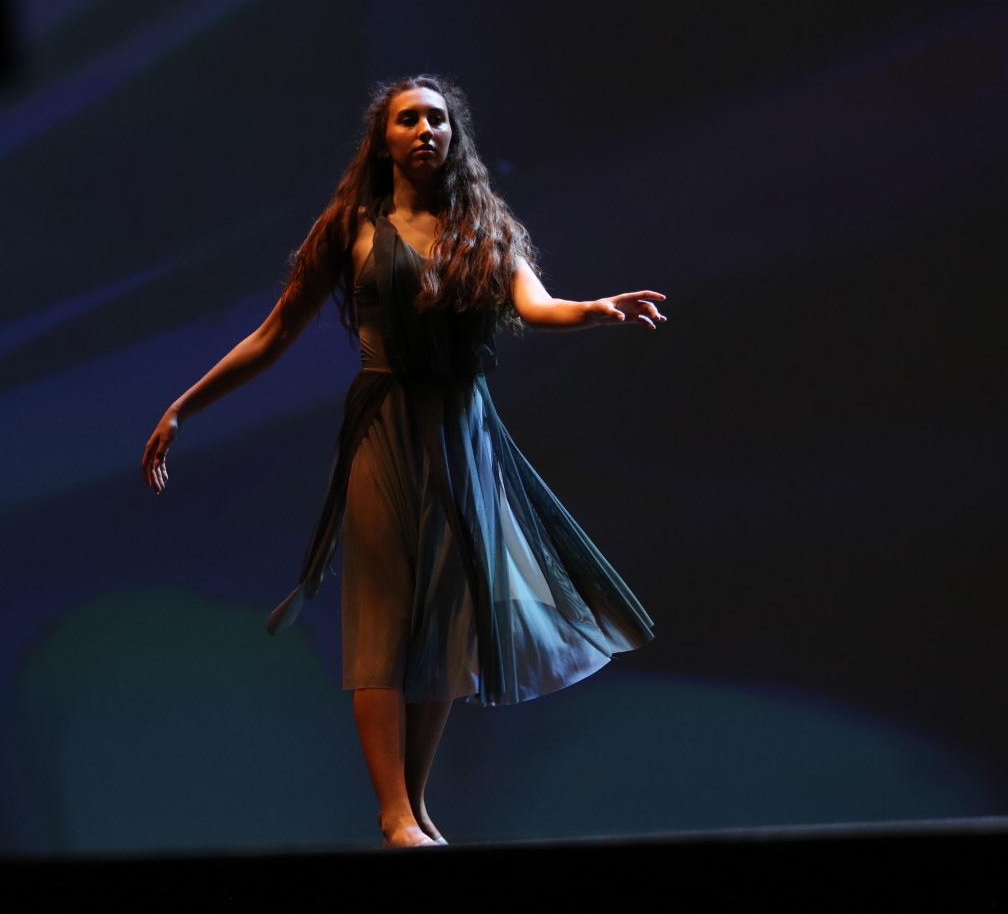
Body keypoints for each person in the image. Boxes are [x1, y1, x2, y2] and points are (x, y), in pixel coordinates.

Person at [142, 75, 661, 848]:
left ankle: (413, 807)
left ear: (454, 135)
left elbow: (535, 304)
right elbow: (273, 334)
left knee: (449, 621)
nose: (425, 130)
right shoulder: (348, 226)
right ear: (383, 138)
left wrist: (592, 310)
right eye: (409, 119)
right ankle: (392, 812)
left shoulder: (484, 225)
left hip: (464, 431)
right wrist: (184, 405)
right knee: (384, 613)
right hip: (385, 427)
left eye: (437, 119)